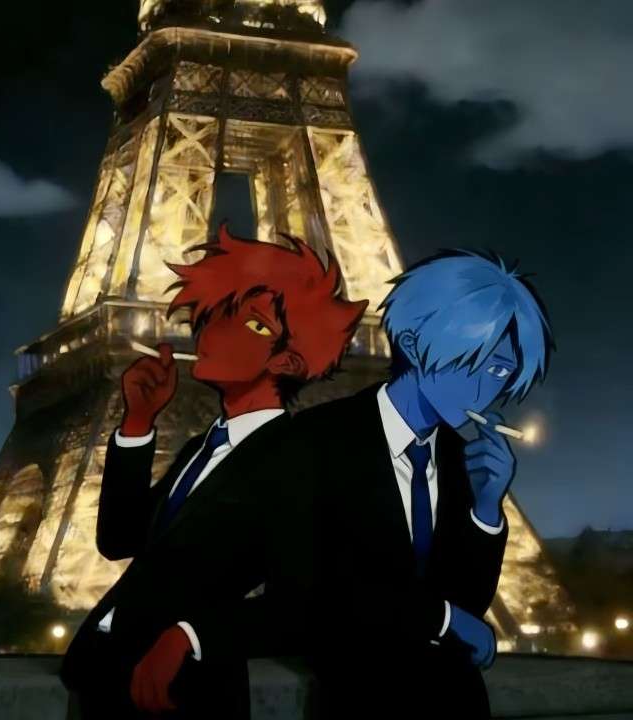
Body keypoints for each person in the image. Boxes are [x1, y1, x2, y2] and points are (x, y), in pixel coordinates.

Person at [59, 223, 367, 719]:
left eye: (253, 325)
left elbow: (301, 605)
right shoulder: (200, 449)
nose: (214, 331)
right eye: (220, 312)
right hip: (102, 678)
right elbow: (119, 541)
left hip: (184, 693)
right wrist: (137, 425)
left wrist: (190, 636)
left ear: (288, 362)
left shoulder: (299, 462)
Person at [288, 250, 554, 719]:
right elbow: (314, 588)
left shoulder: (459, 459)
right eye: (470, 361)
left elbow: (469, 601)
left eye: (499, 372)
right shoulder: (313, 442)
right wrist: (442, 619)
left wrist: (486, 509)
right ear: (411, 345)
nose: (483, 391)